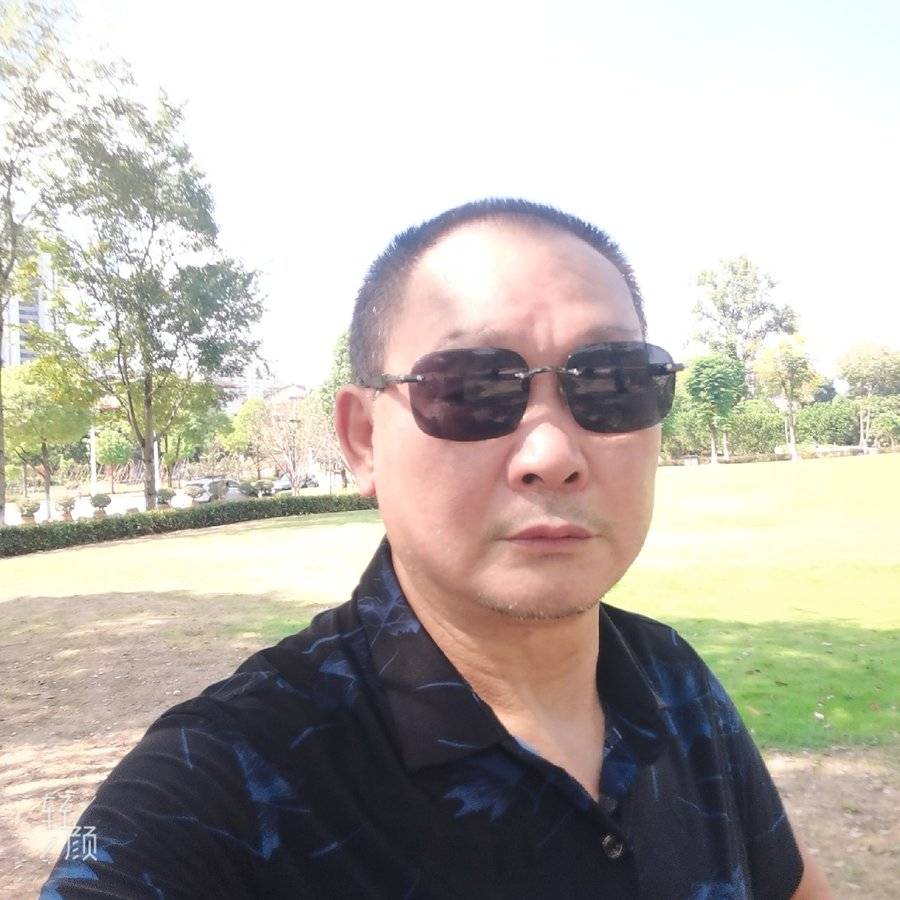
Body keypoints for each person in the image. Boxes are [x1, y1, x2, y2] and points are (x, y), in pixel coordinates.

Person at [41, 199, 831, 898]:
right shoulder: (225, 781)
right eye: (472, 388)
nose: (552, 453)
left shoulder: (673, 684)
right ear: (363, 440)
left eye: (611, 381)